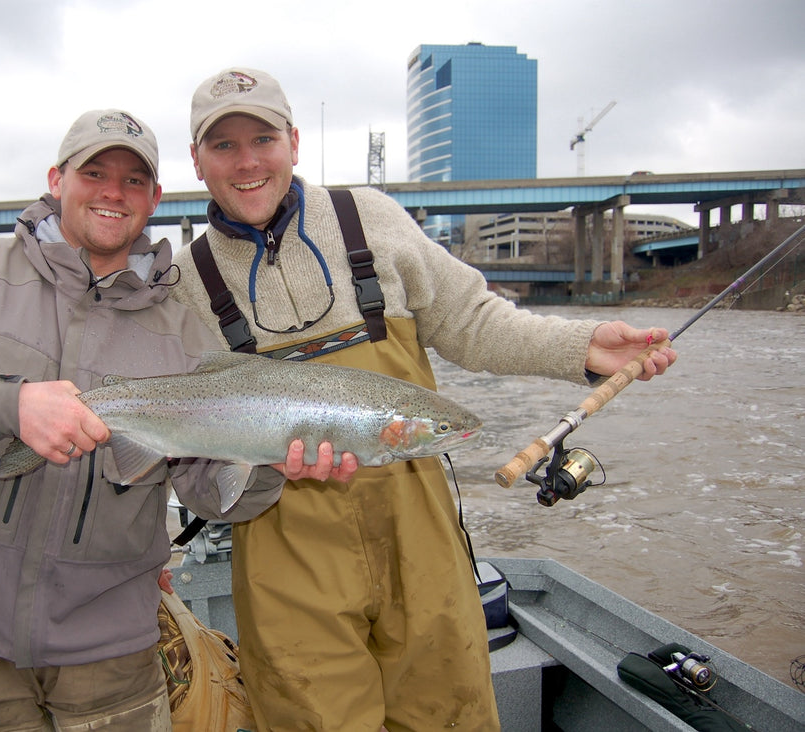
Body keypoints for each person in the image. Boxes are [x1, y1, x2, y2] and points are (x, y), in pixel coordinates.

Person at [170, 67, 677, 731]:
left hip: (420, 535)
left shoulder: (370, 218)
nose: (247, 162)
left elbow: (473, 320)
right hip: (283, 553)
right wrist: (253, 474)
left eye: (262, 138)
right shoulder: (184, 281)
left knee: (449, 712)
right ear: (196, 161)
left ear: (294, 141)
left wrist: (581, 347)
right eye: (224, 146)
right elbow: (192, 454)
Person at [0, 108, 329, 732]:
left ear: (155, 197)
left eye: (133, 181)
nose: (112, 192)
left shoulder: (187, 330)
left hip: (111, 639)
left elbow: (209, 493)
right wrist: (8, 403)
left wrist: (268, 457)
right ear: (56, 178)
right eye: (94, 172)